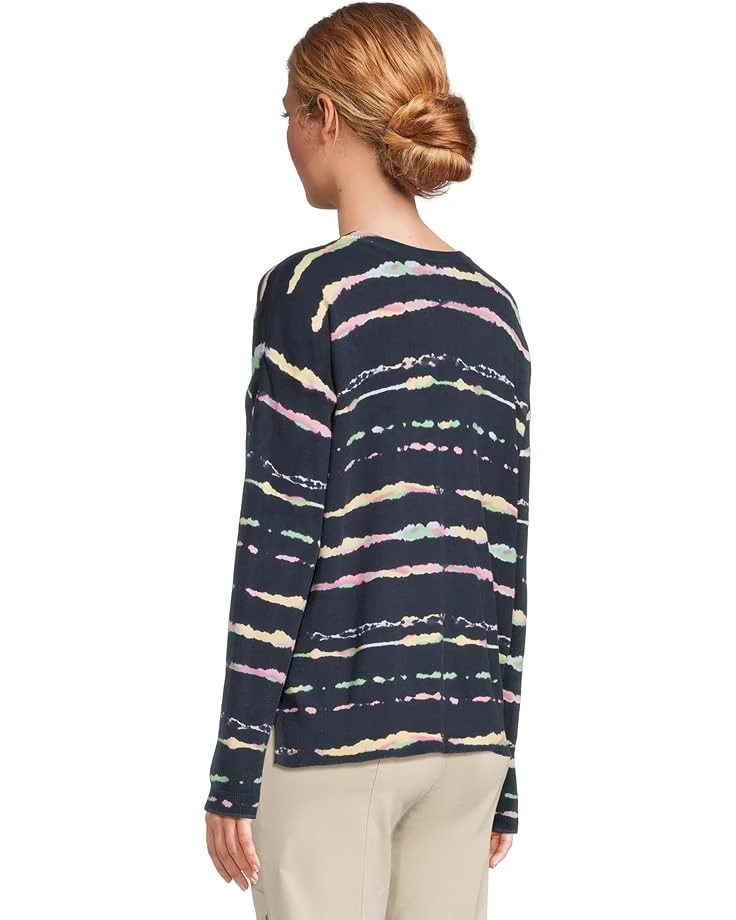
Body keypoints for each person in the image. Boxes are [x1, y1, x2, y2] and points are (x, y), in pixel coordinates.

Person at [203, 3, 531, 918]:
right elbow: (505, 556)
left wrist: (235, 763)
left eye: (287, 113)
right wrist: (505, 764)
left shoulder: (311, 292)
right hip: (468, 740)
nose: (285, 137)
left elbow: (278, 533)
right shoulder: (495, 310)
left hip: (336, 736)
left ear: (325, 117)